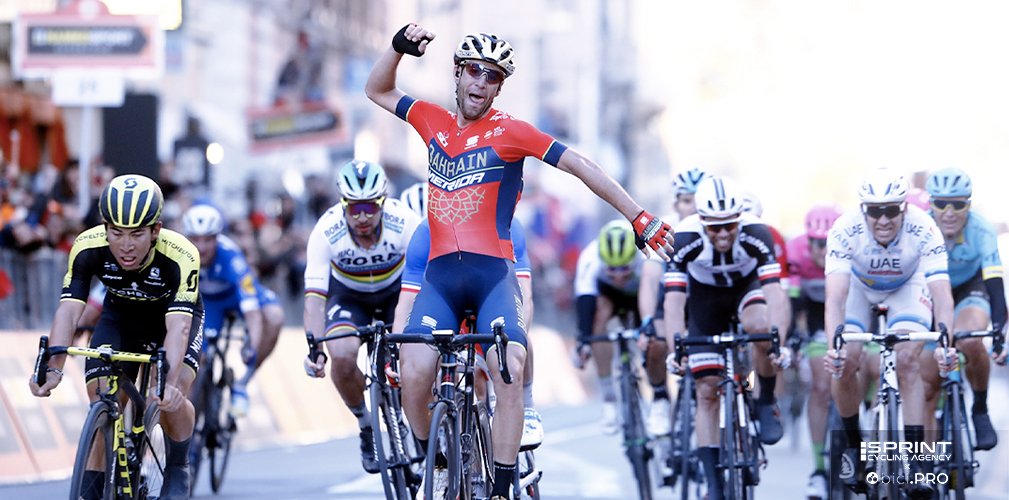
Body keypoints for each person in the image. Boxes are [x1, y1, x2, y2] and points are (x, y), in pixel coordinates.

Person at [365, 25, 674, 500]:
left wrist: (638, 216)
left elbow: (580, 165)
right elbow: (378, 89)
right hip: (441, 279)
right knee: (414, 372)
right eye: (474, 70)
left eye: (492, 76)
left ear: (499, 87)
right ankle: (436, 460)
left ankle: (504, 485)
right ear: (457, 73)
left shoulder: (511, 131)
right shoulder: (431, 120)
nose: (481, 82)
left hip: (493, 276)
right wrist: (397, 48)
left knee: (509, 365)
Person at [29, 174, 202, 500]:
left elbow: (179, 326)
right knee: (102, 396)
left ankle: (178, 465)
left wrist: (167, 383)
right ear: (105, 227)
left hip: (171, 322)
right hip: (121, 318)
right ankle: (94, 488)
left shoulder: (182, 254)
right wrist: (53, 367)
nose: (126, 245)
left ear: (156, 230)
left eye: (137, 233)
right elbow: (69, 311)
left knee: (169, 394)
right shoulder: (87, 246)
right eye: (117, 232)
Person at [822, 169, 955, 498]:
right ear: (863, 209)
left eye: (892, 210)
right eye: (875, 211)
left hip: (907, 287)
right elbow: (835, 299)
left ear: (904, 207)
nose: (883, 219)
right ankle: (854, 446)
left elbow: (942, 296)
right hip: (858, 288)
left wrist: (945, 345)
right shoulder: (844, 229)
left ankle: (916, 461)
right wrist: (834, 348)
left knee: (907, 359)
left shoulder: (925, 227)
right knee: (846, 361)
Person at [302, 160, 421, 474]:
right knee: (341, 354)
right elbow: (314, 300)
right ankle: (366, 425)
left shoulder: (405, 221)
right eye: (354, 209)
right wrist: (315, 349)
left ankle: (421, 423)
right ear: (343, 204)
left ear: (383, 202)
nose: (363, 217)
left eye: (370, 207)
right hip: (349, 296)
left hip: (398, 292)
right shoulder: (326, 231)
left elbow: (428, 278)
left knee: (416, 354)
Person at [919, 168, 1008, 451]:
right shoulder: (920, 228)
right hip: (931, 291)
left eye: (957, 204)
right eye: (940, 203)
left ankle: (979, 409)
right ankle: (926, 462)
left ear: (968, 204)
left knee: (969, 338)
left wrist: (999, 333)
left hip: (971, 286)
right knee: (927, 387)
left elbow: (995, 285)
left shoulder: (982, 230)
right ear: (930, 204)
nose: (949, 213)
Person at [181, 204, 285, 417]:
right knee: (196, 361)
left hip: (237, 297)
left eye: (208, 239)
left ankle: (242, 383)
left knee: (274, 317)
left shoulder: (231, 257)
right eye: (196, 239)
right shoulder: (181, 255)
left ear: (218, 238)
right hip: (208, 304)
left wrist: (252, 347)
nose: (202, 246)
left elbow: (252, 312)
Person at [572, 220, 670, 436]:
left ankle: (660, 395)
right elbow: (585, 302)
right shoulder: (590, 257)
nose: (618, 276)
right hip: (610, 297)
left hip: (642, 296)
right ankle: (609, 397)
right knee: (598, 317)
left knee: (654, 338)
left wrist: (651, 331)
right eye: (611, 270)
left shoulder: (646, 255)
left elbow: (659, 298)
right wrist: (583, 341)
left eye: (625, 269)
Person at [787, 204, 854, 500]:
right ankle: (818, 470)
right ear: (808, 241)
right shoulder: (795, 252)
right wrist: (791, 338)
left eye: (828, 243)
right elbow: (790, 303)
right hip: (814, 314)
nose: (822, 250)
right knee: (820, 387)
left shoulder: (852, 249)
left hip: (850, 312)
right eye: (816, 243)